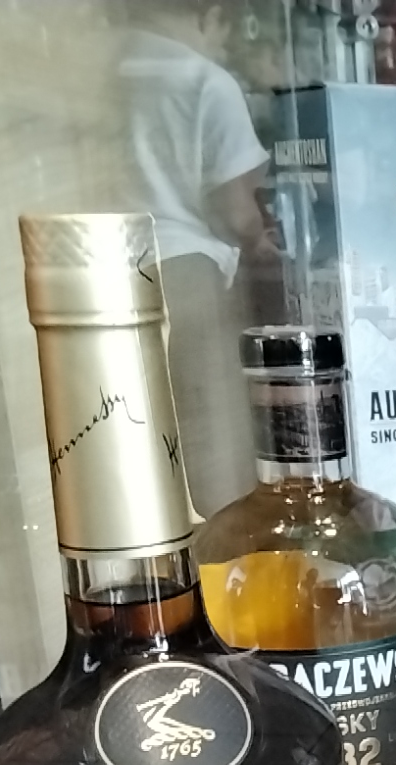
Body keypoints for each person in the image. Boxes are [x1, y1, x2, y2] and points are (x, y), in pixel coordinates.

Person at [117, 0, 275, 514]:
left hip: (109, 269)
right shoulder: (204, 81)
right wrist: (258, 238)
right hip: (186, 271)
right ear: (212, 16)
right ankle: (218, 547)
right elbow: (232, 207)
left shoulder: (101, 71)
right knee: (210, 433)